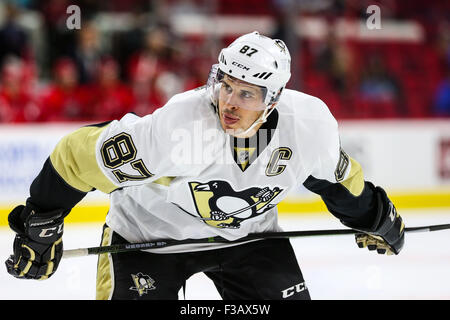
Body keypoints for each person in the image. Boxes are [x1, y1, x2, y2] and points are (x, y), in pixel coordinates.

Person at [4, 32, 404, 300]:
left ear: (274, 98)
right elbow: (77, 154)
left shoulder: (309, 126)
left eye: (247, 93)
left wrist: (374, 215)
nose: (229, 102)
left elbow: (339, 183)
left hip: (248, 242)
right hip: (148, 241)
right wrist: (42, 217)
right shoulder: (180, 127)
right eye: (226, 84)